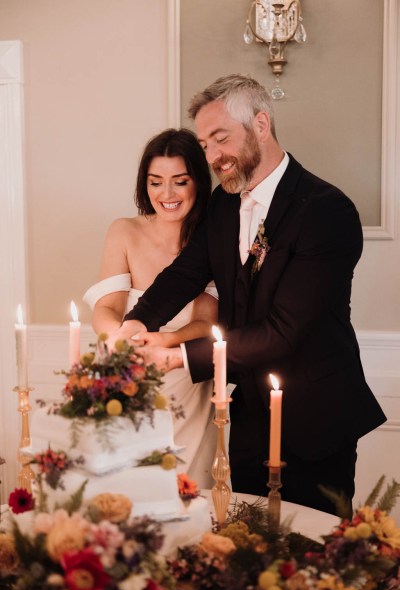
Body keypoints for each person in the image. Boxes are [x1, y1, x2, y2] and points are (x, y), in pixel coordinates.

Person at [116, 74, 386, 516]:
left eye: (220, 139)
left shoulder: (326, 211)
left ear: (261, 125)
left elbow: (284, 331)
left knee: (310, 562)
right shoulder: (223, 204)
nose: (213, 156)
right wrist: (138, 321)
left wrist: (180, 357)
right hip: (245, 416)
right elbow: (184, 274)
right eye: (205, 145)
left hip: (315, 417)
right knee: (242, 550)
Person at [83, 128, 218, 489]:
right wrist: (124, 342)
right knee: (122, 491)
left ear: (198, 183)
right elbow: (106, 309)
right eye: (155, 182)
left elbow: (206, 322)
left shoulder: (213, 239)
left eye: (179, 181)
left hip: (185, 383)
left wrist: (164, 341)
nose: (167, 194)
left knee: (187, 492)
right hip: (128, 375)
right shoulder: (123, 231)